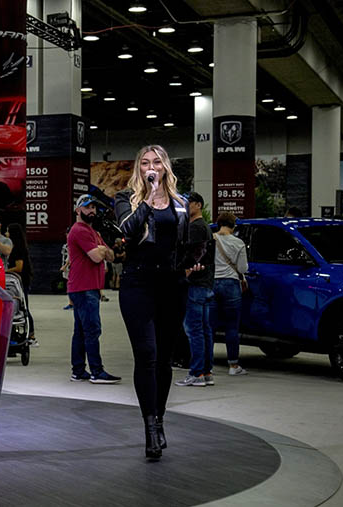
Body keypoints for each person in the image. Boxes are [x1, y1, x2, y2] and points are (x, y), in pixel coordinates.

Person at [114, 144, 204, 461]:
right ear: (139, 169)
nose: (151, 167)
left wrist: (191, 262)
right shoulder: (125, 200)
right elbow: (127, 231)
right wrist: (150, 200)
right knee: (147, 355)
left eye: (157, 162)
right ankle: (150, 428)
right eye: (145, 163)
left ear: (166, 167)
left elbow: (181, 244)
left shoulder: (181, 204)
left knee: (164, 359)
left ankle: (160, 418)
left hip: (172, 284)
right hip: (137, 283)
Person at [67, 194, 120, 385]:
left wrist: (102, 250)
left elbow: (112, 256)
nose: (92, 211)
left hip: (87, 287)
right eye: (88, 207)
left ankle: (79, 370)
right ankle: (96, 371)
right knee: (92, 330)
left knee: (81, 331)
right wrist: (102, 251)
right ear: (78, 210)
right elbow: (97, 257)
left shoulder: (93, 231)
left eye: (94, 208)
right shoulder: (80, 231)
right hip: (84, 288)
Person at [175, 192, 216, 388]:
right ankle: (206, 372)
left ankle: (197, 372)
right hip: (205, 285)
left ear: (198, 205)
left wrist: (183, 275)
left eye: (188, 203)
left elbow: (194, 257)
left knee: (195, 331)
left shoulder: (195, 228)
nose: (185, 206)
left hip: (196, 286)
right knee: (205, 330)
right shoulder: (205, 226)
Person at [209, 212, 249, 376]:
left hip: (212, 283)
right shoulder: (238, 243)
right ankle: (233, 366)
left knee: (209, 327)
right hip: (231, 284)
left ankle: (207, 366)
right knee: (231, 327)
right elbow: (242, 269)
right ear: (233, 225)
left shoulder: (210, 239)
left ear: (219, 223)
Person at [6, 223, 35, 341]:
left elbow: (19, 267)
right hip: (22, 281)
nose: (6, 234)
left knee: (24, 308)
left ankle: (31, 333)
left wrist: (5, 271)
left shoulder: (18, 249)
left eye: (7, 231)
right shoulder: (18, 246)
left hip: (21, 282)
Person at [60, 228, 73, 309]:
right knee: (68, 285)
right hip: (66, 267)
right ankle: (71, 303)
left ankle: (73, 303)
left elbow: (71, 257)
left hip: (70, 268)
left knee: (71, 285)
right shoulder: (66, 245)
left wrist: (65, 266)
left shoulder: (72, 245)